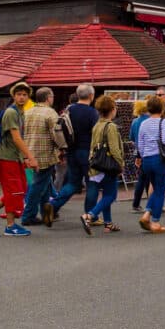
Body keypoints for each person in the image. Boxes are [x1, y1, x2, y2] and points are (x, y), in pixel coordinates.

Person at [0, 82, 38, 237]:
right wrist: (30, 157)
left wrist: (24, 157)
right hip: (7, 158)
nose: (22, 97)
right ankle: (10, 226)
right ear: (13, 96)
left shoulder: (20, 112)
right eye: (19, 94)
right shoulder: (12, 113)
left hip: (15, 157)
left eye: (25, 95)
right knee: (14, 191)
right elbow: (16, 138)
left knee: (20, 189)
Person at [45, 83, 97, 225]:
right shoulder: (92, 113)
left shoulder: (68, 111)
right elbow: (96, 133)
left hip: (71, 151)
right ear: (91, 96)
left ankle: (54, 205)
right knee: (92, 182)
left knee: (73, 183)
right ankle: (90, 215)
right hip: (87, 151)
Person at [80, 95, 124, 234]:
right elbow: (114, 148)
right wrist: (120, 164)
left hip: (97, 164)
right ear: (112, 109)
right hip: (108, 165)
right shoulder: (110, 126)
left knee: (106, 194)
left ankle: (108, 223)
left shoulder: (97, 125)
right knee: (111, 195)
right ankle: (90, 215)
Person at [21, 87, 65, 226]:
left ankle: (46, 212)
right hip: (45, 153)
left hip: (29, 151)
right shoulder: (50, 113)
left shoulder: (27, 112)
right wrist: (63, 147)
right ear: (48, 98)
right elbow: (56, 133)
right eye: (51, 96)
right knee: (38, 185)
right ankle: (28, 215)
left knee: (44, 184)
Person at [137, 95, 165, 234]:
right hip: (159, 159)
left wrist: (142, 157)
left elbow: (140, 144)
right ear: (162, 108)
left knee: (155, 187)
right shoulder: (163, 122)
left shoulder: (143, 123)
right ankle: (155, 221)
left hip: (147, 159)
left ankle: (147, 214)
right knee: (160, 191)